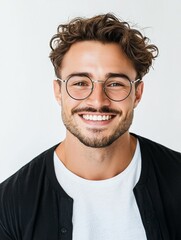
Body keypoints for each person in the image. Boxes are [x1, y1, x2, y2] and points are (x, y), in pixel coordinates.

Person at [0, 13, 181, 240]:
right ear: (58, 92)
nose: (97, 101)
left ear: (137, 93)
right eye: (80, 83)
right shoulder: (9, 204)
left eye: (115, 83)